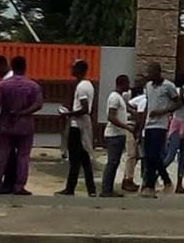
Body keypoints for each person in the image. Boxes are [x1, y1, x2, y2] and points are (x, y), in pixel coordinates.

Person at [0, 56, 42, 195]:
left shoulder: (3, 85)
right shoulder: (33, 85)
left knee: (2, 155)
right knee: (23, 156)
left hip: (6, 125)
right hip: (25, 125)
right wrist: (23, 112)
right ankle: (19, 186)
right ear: (25, 67)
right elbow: (38, 104)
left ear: (12, 66)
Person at [56, 60, 97, 197]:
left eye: (73, 68)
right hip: (82, 125)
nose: (71, 70)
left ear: (79, 69)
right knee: (84, 158)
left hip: (77, 126)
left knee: (74, 159)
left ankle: (70, 188)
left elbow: (85, 109)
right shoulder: (88, 85)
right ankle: (91, 189)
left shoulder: (81, 87)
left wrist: (67, 114)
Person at [140, 62, 181, 198]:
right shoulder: (148, 86)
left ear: (158, 72)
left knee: (154, 155)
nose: (149, 75)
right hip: (148, 125)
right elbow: (148, 105)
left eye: (151, 72)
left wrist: (163, 111)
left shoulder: (168, 86)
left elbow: (178, 103)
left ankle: (153, 185)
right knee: (149, 157)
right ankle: (160, 183)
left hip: (160, 125)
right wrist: (141, 124)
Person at [100, 75, 136, 197]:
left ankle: (108, 189)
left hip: (118, 134)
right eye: (127, 83)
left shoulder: (120, 98)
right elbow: (111, 116)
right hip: (114, 134)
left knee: (115, 163)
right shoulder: (114, 97)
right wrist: (126, 127)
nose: (129, 86)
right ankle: (106, 190)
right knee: (112, 162)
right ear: (122, 84)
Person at [163, 71, 184, 194]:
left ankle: (179, 184)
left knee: (183, 155)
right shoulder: (177, 91)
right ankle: (156, 175)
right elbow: (179, 106)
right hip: (178, 123)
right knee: (171, 154)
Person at [122, 75, 146, 192]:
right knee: (131, 153)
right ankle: (128, 180)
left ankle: (127, 177)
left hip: (134, 125)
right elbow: (124, 105)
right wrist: (134, 112)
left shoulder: (142, 96)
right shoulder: (131, 95)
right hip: (130, 125)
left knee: (136, 155)